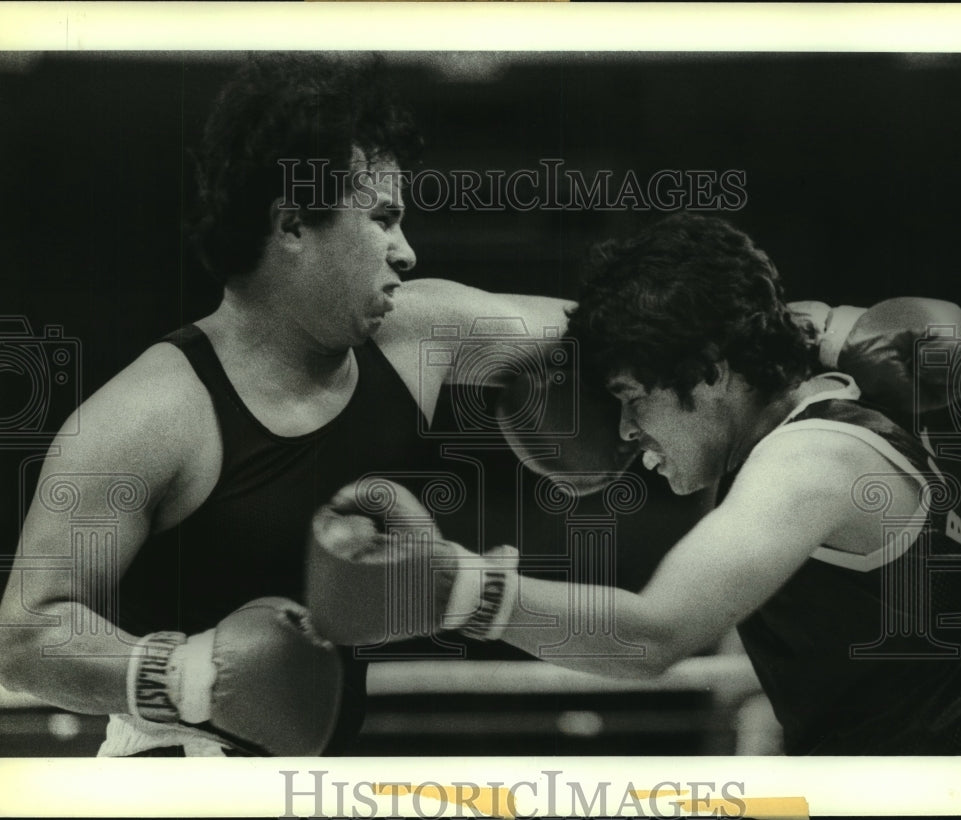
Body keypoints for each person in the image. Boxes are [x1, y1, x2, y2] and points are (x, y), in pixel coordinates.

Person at [0, 53, 573, 757]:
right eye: (383, 219)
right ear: (295, 224)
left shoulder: (418, 337)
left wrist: (605, 395)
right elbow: (26, 635)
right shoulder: (149, 415)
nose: (407, 252)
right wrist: (190, 679)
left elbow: (610, 332)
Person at [316, 213, 961, 755]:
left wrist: (453, 588)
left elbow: (654, 634)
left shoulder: (811, 458)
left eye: (632, 397)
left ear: (707, 368)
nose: (629, 439)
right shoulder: (816, 415)